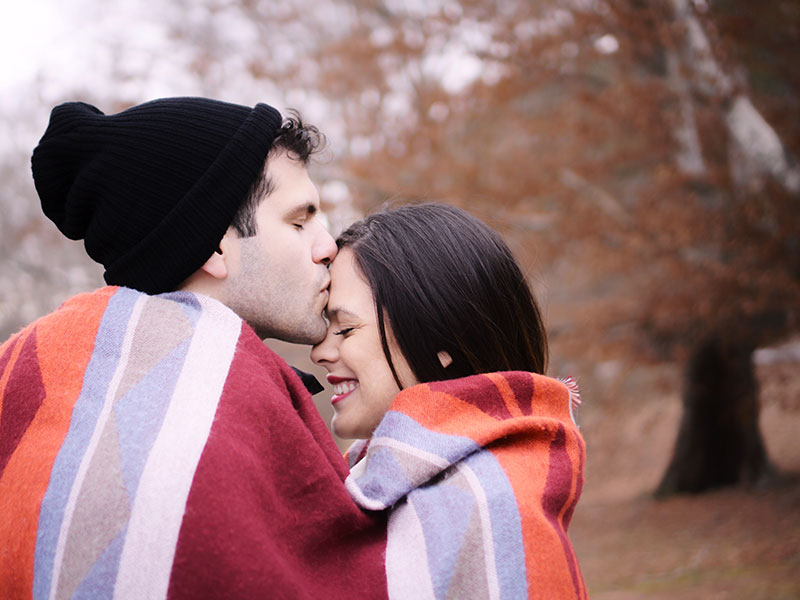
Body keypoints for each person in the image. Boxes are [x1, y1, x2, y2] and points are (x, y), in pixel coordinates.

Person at [0, 98, 388, 599]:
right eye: (299, 221)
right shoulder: (211, 419)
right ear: (215, 245)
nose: (328, 246)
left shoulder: (40, 378)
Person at [311, 203, 588, 599]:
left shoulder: (488, 503)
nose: (319, 352)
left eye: (346, 328)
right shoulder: (376, 479)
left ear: (438, 339)